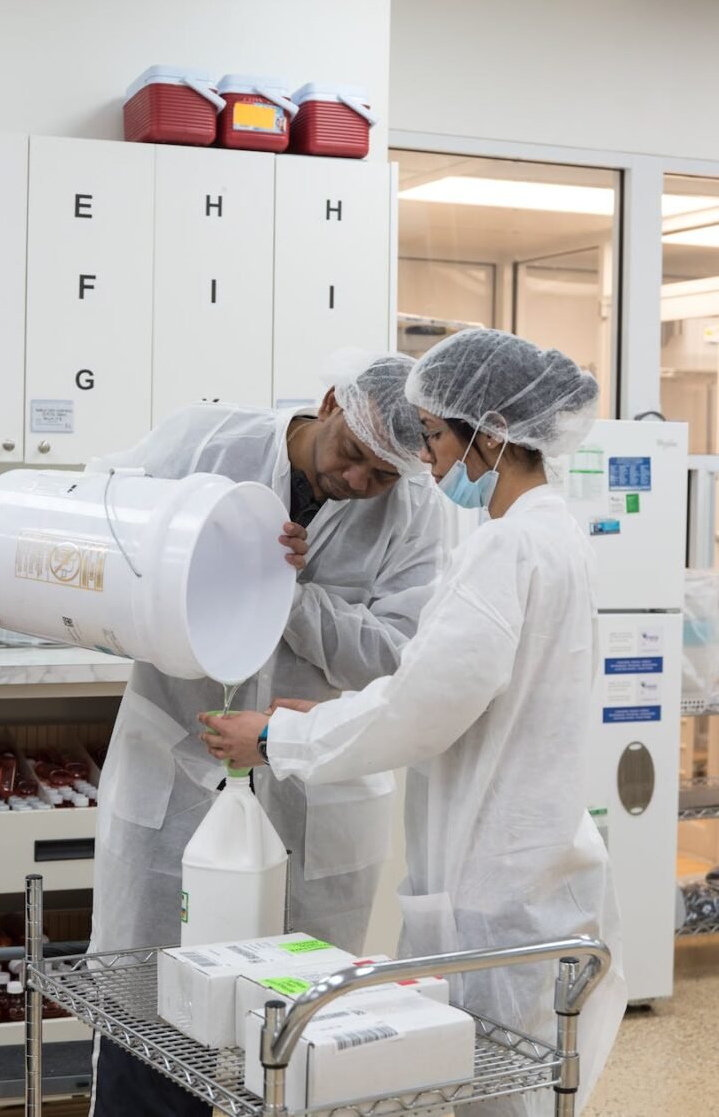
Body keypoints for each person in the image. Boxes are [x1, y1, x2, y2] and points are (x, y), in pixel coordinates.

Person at [0, 349, 445, 1117]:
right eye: (351, 454)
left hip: (310, 798)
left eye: (381, 475)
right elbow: (88, 549)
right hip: (176, 780)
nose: (357, 482)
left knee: (293, 1031)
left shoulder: (415, 512)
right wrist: (5, 601)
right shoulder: (201, 445)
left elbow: (395, 655)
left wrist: (284, 596)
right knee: (146, 1015)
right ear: (329, 405)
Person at [201, 329, 628, 1117]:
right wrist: (334, 712)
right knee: (521, 1086)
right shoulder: (555, 536)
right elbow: (452, 693)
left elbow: (422, 709)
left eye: (433, 436)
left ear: (491, 435)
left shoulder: (505, 549)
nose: (423, 460)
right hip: (532, 866)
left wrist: (275, 738)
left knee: (487, 1092)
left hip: (491, 888)